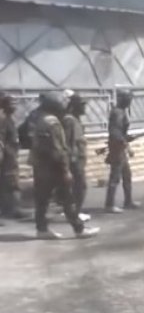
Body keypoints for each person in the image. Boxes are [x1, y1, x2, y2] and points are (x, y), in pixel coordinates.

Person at [31, 91, 98, 240]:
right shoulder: (53, 123)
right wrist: (65, 170)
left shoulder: (40, 120)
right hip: (54, 168)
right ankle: (79, 229)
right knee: (68, 199)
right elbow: (58, 149)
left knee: (42, 201)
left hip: (41, 167)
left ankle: (42, 229)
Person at [105, 89, 140, 213]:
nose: (130, 101)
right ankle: (109, 205)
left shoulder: (121, 112)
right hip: (117, 149)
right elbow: (115, 133)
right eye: (128, 99)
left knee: (127, 175)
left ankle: (128, 201)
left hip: (120, 148)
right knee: (115, 177)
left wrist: (127, 140)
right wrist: (125, 143)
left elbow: (121, 132)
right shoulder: (118, 113)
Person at [62, 93, 89, 220]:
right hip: (74, 160)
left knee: (78, 186)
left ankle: (75, 212)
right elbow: (67, 142)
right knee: (79, 186)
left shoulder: (76, 119)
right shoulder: (69, 120)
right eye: (82, 105)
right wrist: (70, 160)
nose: (84, 108)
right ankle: (75, 213)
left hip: (79, 159)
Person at [0, 92, 27, 220]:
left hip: (10, 157)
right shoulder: (3, 119)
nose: (14, 106)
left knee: (10, 183)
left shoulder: (9, 119)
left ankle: (10, 209)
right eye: (11, 103)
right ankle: (13, 210)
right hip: (6, 158)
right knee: (11, 183)